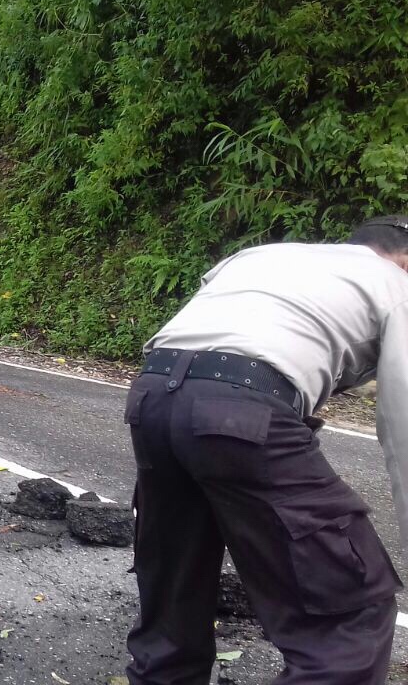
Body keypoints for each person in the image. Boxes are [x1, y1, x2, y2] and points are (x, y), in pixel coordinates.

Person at [125, 215, 408, 684]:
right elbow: (402, 418)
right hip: (242, 410)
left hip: (152, 393)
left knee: (173, 592)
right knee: (349, 613)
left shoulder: (263, 256)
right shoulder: (397, 285)